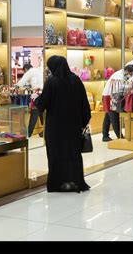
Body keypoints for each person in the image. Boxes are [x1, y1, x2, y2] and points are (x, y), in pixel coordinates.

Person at [33, 56, 91, 193]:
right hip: (73, 127)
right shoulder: (76, 80)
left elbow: (42, 104)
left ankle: (58, 183)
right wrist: (83, 122)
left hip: (55, 128)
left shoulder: (51, 82)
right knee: (73, 154)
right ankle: (75, 182)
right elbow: (85, 105)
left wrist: (35, 99)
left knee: (56, 154)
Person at [101, 65, 133, 142]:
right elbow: (119, 91)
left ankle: (105, 136)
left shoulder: (124, 75)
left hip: (111, 95)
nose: (131, 76)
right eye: (130, 74)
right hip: (110, 96)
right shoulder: (119, 76)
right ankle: (119, 136)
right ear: (126, 71)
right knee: (114, 116)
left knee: (108, 116)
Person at [16, 63, 44, 137]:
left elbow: (20, 84)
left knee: (34, 114)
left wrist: (17, 86)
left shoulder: (29, 72)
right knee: (42, 113)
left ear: (25, 69)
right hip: (44, 93)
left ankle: (29, 133)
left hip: (37, 95)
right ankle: (43, 131)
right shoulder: (38, 70)